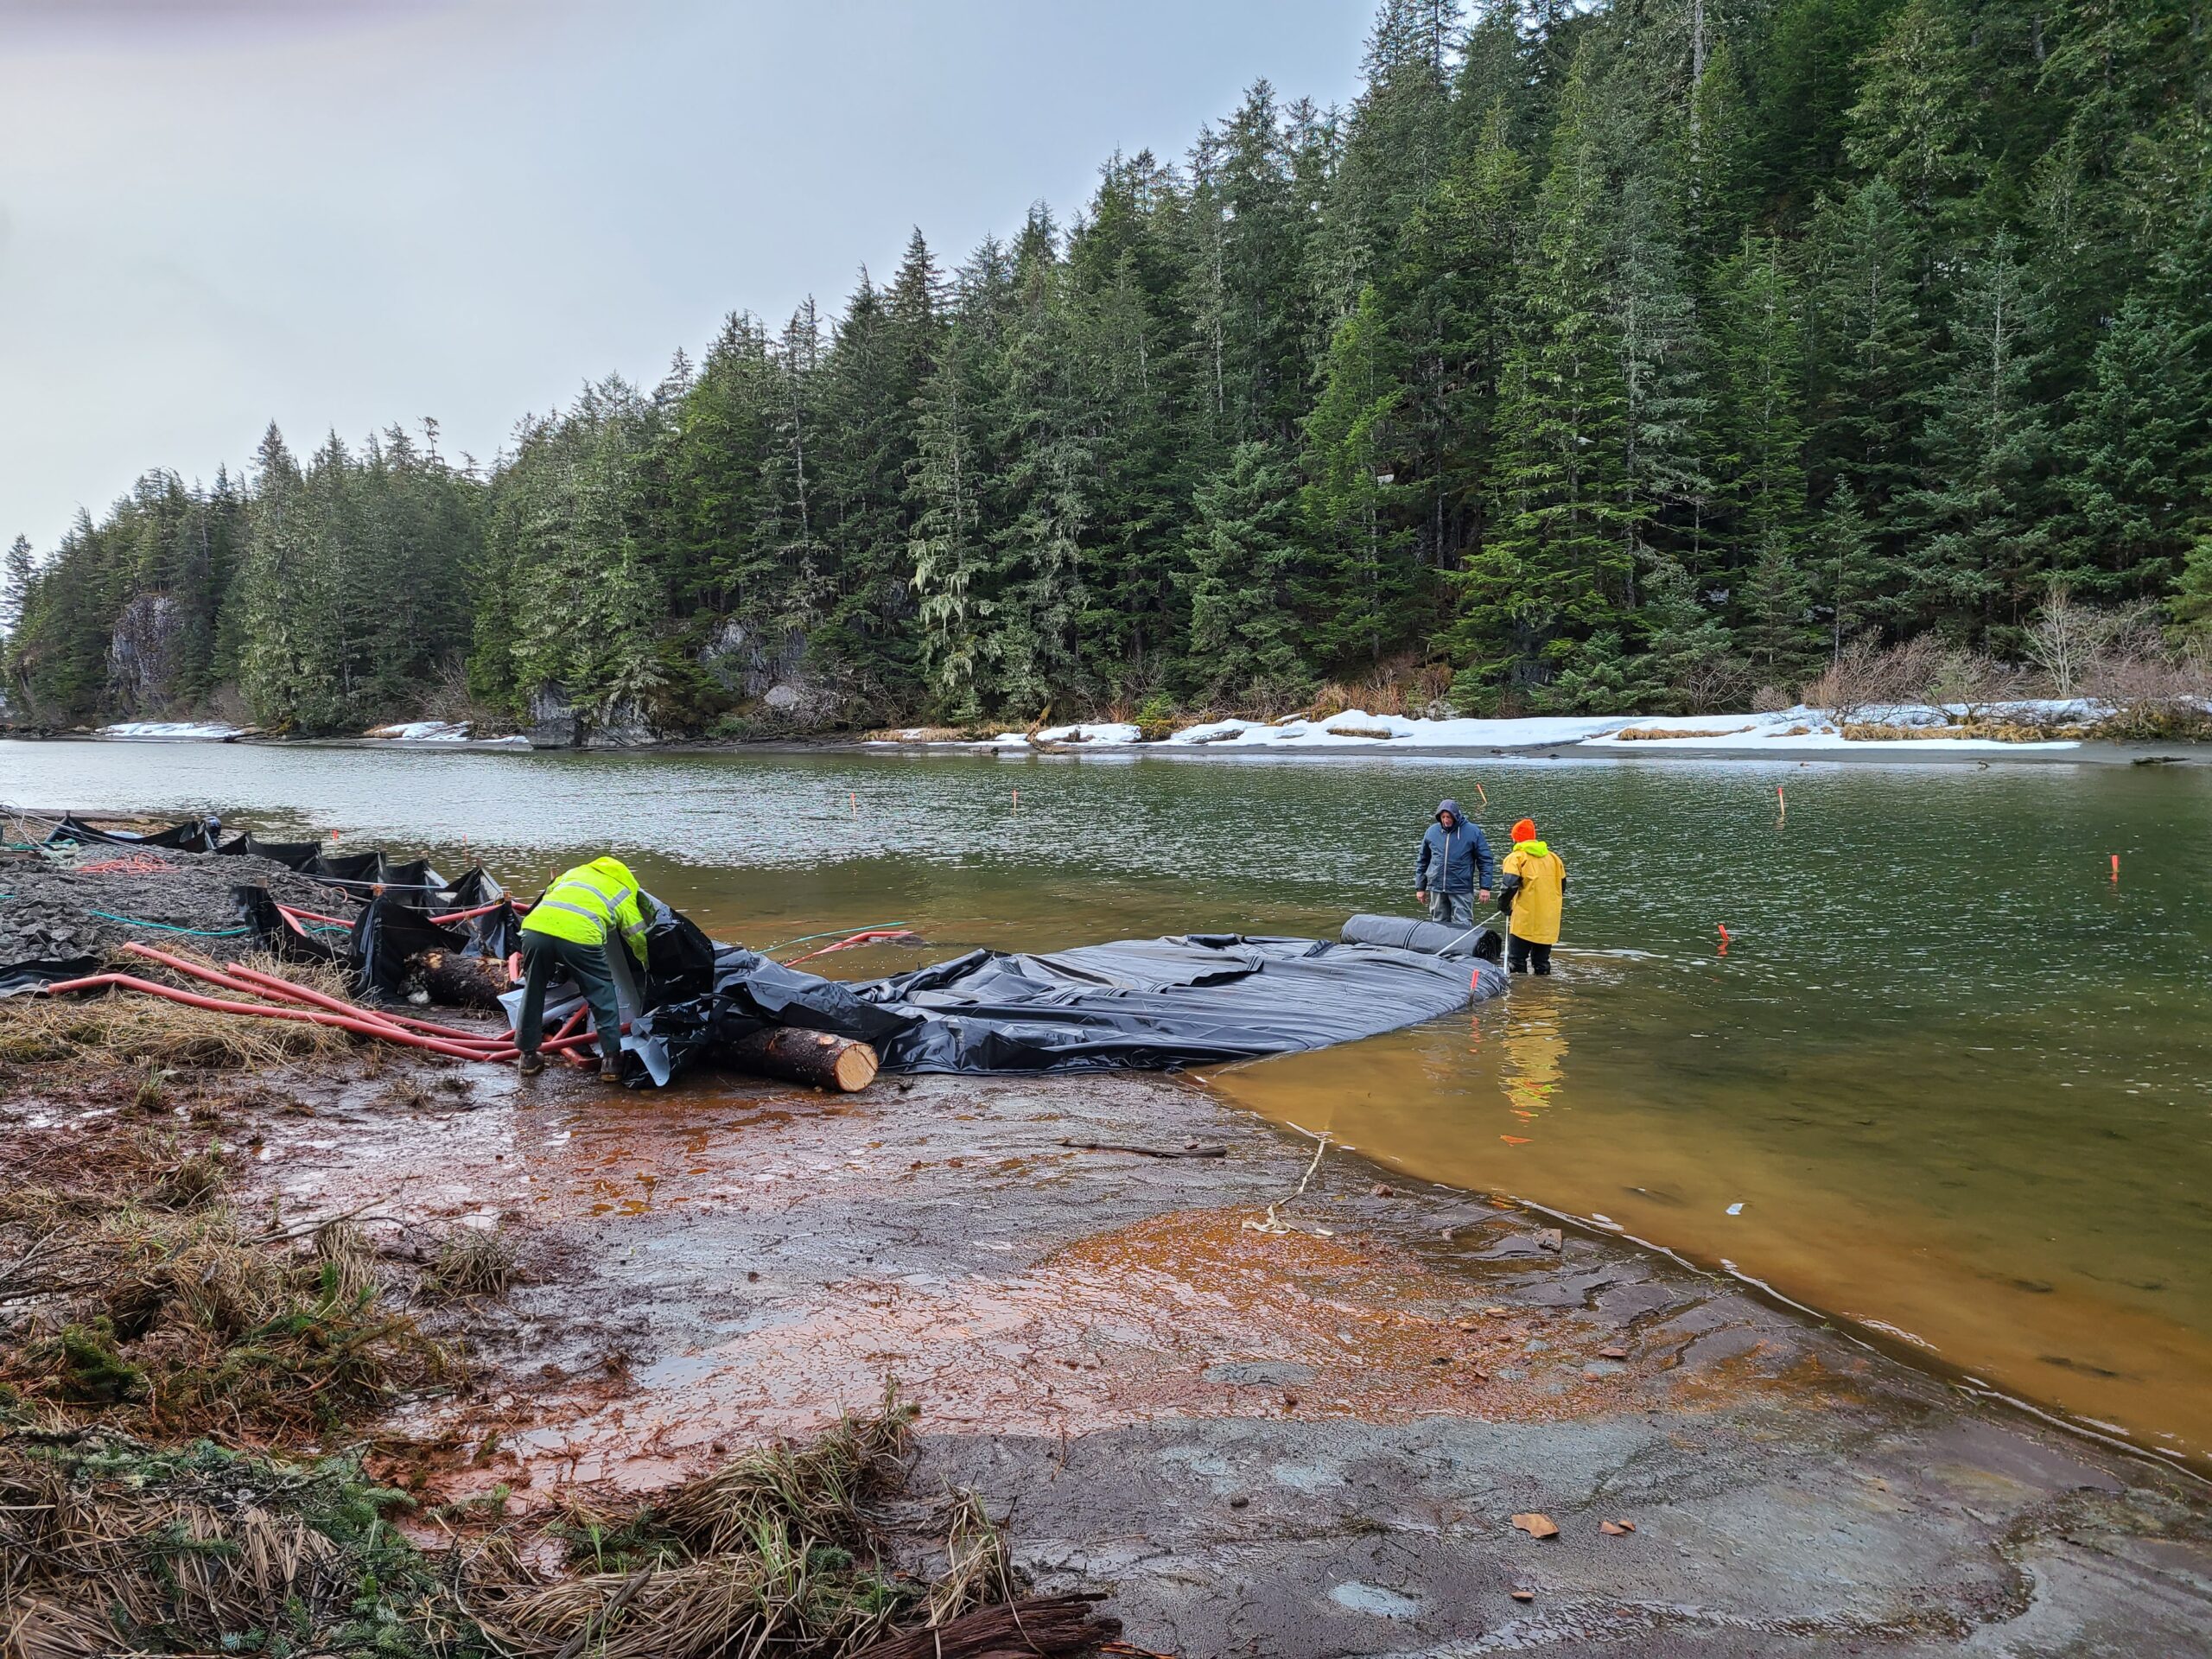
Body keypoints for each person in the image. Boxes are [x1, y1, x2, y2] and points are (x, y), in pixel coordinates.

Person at [515, 855, 650, 1079]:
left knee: (533, 990)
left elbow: (547, 900)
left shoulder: (573, 874)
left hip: (534, 931)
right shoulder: (624, 889)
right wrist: (648, 963)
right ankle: (611, 1061)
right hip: (581, 936)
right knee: (602, 994)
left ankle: (528, 1056)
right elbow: (637, 935)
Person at [1500, 817, 1566, 976]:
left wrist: (1503, 906)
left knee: (1516, 961)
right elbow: (1562, 886)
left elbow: (1509, 886)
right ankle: (1543, 993)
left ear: (1516, 838)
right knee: (1542, 962)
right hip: (1548, 921)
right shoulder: (1554, 858)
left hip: (1525, 920)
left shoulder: (1516, 858)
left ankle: (1519, 995)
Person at [1414, 798, 1493, 928]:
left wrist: (1485, 887)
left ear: (1456, 816)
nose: (1446, 820)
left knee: (1463, 925)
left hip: (1461, 888)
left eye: (1449, 817)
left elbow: (1485, 860)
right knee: (1438, 924)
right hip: (1437, 887)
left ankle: (1462, 948)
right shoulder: (1432, 832)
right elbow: (1423, 860)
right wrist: (1420, 888)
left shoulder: (1473, 832)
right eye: (1443, 817)